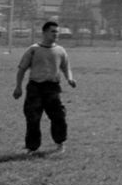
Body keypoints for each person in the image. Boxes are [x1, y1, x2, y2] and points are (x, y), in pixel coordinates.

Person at [13, 20, 76, 155]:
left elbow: (66, 68)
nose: (56, 34)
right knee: (33, 118)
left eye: (57, 32)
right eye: (53, 31)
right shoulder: (33, 50)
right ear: (44, 33)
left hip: (52, 88)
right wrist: (18, 87)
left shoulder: (60, 51)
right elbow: (21, 69)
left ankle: (60, 143)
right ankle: (31, 147)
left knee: (59, 116)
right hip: (35, 88)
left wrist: (69, 78)